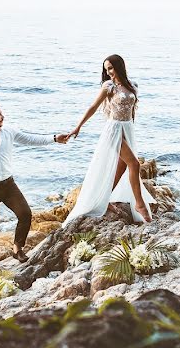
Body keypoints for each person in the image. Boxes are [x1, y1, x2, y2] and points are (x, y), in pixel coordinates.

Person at [0, 101, 70, 272]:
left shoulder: (8, 132)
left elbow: (30, 138)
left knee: (25, 214)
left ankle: (17, 248)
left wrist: (54, 138)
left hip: (8, 185)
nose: (2, 117)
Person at [63, 54, 156, 227]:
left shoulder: (133, 85)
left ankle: (105, 201)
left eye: (111, 68)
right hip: (114, 131)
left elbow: (132, 110)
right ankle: (140, 204)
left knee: (121, 168)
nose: (109, 72)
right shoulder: (109, 87)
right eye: (107, 70)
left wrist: (130, 130)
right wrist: (78, 127)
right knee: (134, 164)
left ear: (120, 67)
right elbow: (93, 107)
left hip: (127, 128)